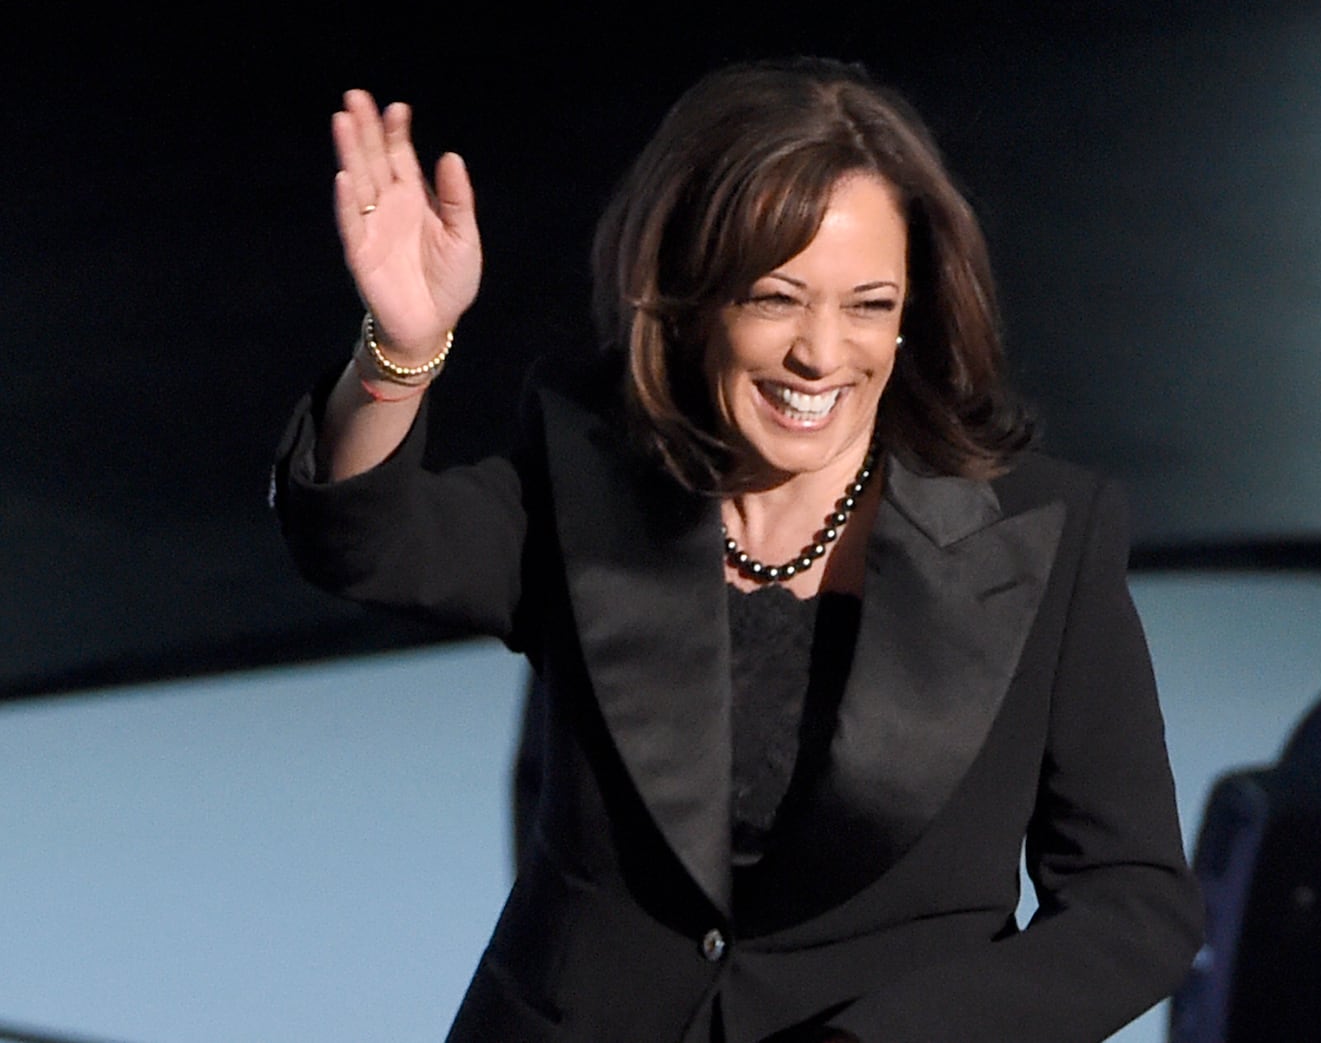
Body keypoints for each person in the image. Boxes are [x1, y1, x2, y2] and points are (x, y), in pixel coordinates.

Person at [274, 57, 1203, 1043]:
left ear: (913, 313)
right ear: (688, 296)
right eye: (774, 296)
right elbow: (364, 543)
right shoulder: (590, 476)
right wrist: (400, 352)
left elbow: (1134, 902)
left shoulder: (1040, 534)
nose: (820, 350)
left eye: (869, 304)